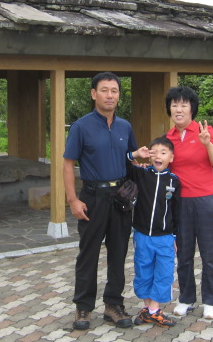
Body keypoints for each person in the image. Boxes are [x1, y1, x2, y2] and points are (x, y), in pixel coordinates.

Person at [63, 72, 138, 330]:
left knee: (118, 252)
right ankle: (83, 307)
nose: (110, 95)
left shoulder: (125, 127)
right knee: (89, 254)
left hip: (120, 199)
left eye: (114, 91)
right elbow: (68, 163)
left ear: (119, 96)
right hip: (92, 198)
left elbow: (131, 159)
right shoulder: (81, 126)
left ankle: (113, 305)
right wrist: (73, 200)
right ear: (94, 94)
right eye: (104, 90)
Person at [165, 86, 213, 320]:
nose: (178, 109)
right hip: (181, 203)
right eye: (174, 105)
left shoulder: (205, 131)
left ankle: (211, 300)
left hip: (206, 200)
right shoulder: (168, 138)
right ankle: (186, 298)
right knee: (184, 253)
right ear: (169, 109)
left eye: (184, 104)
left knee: (209, 253)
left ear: (192, 108)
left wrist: (207, 144)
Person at [126, 136, 179, 328]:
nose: (158, 156)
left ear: (171, 158)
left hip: (165, 238)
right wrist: (134, 154)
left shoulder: (174, 181)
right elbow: (120, 162)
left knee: (164, 273)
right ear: (149, 156)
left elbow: (177, 211)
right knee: (143, 272)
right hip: (142, 236)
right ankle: (148, 309)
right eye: (154, 152)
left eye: (163, 153)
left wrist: (176, 236)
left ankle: (154, 310)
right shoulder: (141, 174)